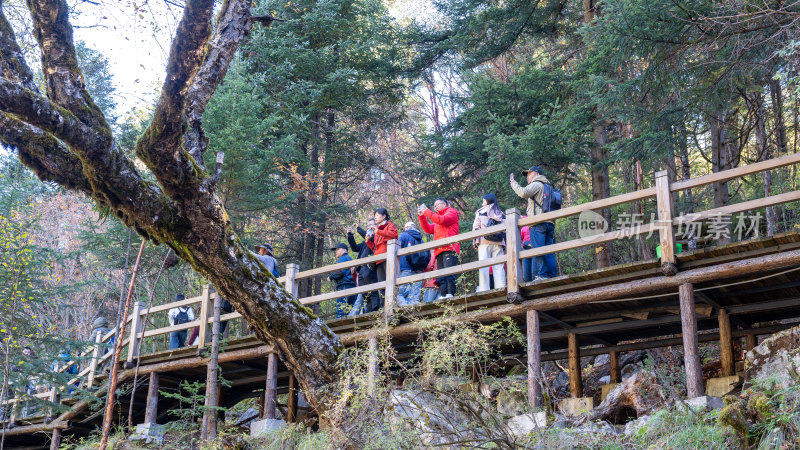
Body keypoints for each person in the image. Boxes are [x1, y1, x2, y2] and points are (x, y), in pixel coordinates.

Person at [510, 166, 557, 279]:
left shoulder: (537, 183)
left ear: (536, 174)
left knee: (538, 250)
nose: (527, 177)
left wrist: (513, 183)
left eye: (529, 174)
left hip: (538, 222)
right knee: (549, 251)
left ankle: (542, 275)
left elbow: (523, 193)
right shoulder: (548, 185)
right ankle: (551, 276)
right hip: (550, 222)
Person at [418, 198, 461, 299]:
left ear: (445, 204)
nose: (436, 207)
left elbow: (442, 220)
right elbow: (428, 229)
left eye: (438, 204)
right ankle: (443, 294)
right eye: (434, 205)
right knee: (440, 274)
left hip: (450, 248)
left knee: (449, 272)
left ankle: (450, 293)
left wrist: (426, 211)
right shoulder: (437, 221)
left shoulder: (452, 212)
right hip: (439, 250)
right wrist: (421, 216)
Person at [365, 208, 398, 312]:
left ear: (384, 216)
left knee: (391, 281)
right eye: (375, 215)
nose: (376, 217)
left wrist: (378, 231)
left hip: (388, 257)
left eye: (378, 215)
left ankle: (392, 304)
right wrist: (368, 242)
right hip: (379, 260)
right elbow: (375, 247)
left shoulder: (390, 225)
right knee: (381, 284)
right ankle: (384, 305)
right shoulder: (377, 229)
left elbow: (393, 235)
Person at [473, 193, 507, 292]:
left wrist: (476, 242)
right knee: (499, 267)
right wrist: (505, 245)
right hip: (499, 242)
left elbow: (476, 227)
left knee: (484, 266)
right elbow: (505, 230)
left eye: (484, 201)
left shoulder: (480, 211)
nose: (482, 203)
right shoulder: (501, 213)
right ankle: (501, 288)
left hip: (484, 242)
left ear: (487, 201)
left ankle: (484, 289)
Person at [347, 218, 379, 316]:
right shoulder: (365, 242)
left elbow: (371, 238)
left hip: (370, 267)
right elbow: (355, 248)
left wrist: (359, 229)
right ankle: (368, 311)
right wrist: (350, 235)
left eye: (371, 225)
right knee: (364, 292)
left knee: (372, 290)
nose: (369, 227)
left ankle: (374, 311)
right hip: (361, 269)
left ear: (375, 226)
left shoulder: (376, 237)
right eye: (368, 225)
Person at [397, 222, 425, 306]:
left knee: (399, 293)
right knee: (414, 295)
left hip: (406, 266)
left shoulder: (404, 235)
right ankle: (413, 312)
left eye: (405, 227)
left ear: (407, 227)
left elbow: (396, 247)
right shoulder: (421, 239)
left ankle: (405, 309)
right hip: (419, 268)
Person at [327, 243, 358, 318]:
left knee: (341, 311)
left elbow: (340, 272)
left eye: (338, 249)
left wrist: (330, 277)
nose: (336, 251)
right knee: (351, 311)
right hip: (352, 287)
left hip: (344, 286)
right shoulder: (350, 258)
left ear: (344, 250)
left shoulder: (342, 258)